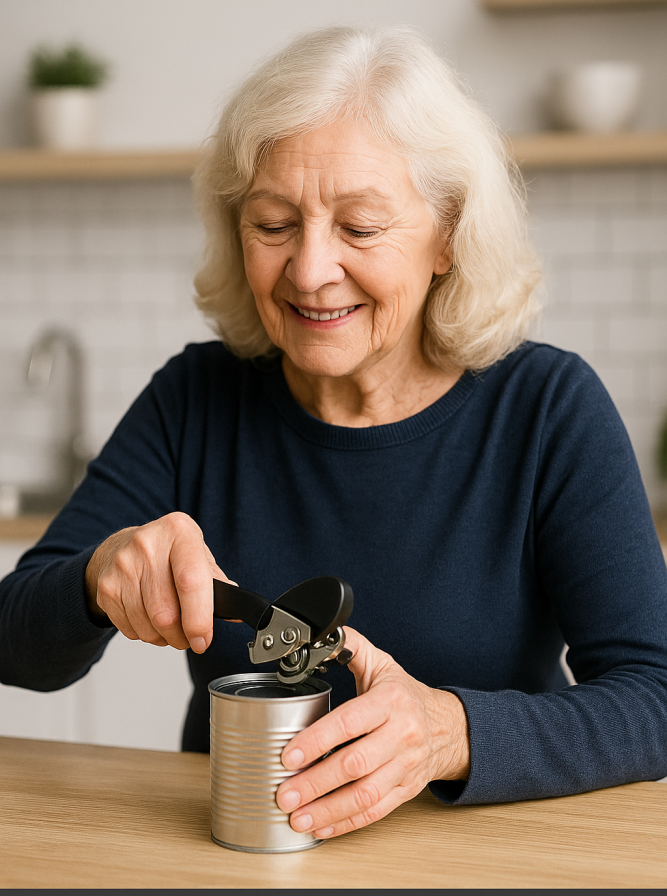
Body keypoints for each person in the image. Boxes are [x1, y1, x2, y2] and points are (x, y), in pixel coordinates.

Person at [1, 24, 666, 842]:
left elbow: (653, 697)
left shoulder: (545, 409)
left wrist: (450, 733)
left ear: (447, 238)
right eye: (274, 224)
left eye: (358, 228)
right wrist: (99, 574)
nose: (311, 271)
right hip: (237, 853)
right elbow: (14, 643)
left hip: (480, 862)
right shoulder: (195, 397)